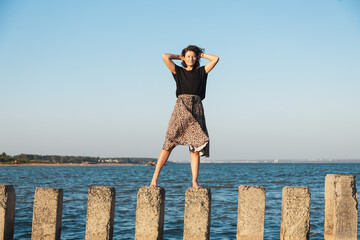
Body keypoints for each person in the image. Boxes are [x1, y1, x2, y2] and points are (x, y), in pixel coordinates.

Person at [150, 45, 219, 189]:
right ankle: (154, 179)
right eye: (188, 56)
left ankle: (194, 182)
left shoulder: (202, 72)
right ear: (184, 58)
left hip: (197, 108)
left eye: (193, 56)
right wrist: (180, 56)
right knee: (169, 142)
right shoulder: (178, 71)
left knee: (196, 146)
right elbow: (165, 56)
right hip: (181, 107)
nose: (191, 59)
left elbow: (215, 59)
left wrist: (201, 55)